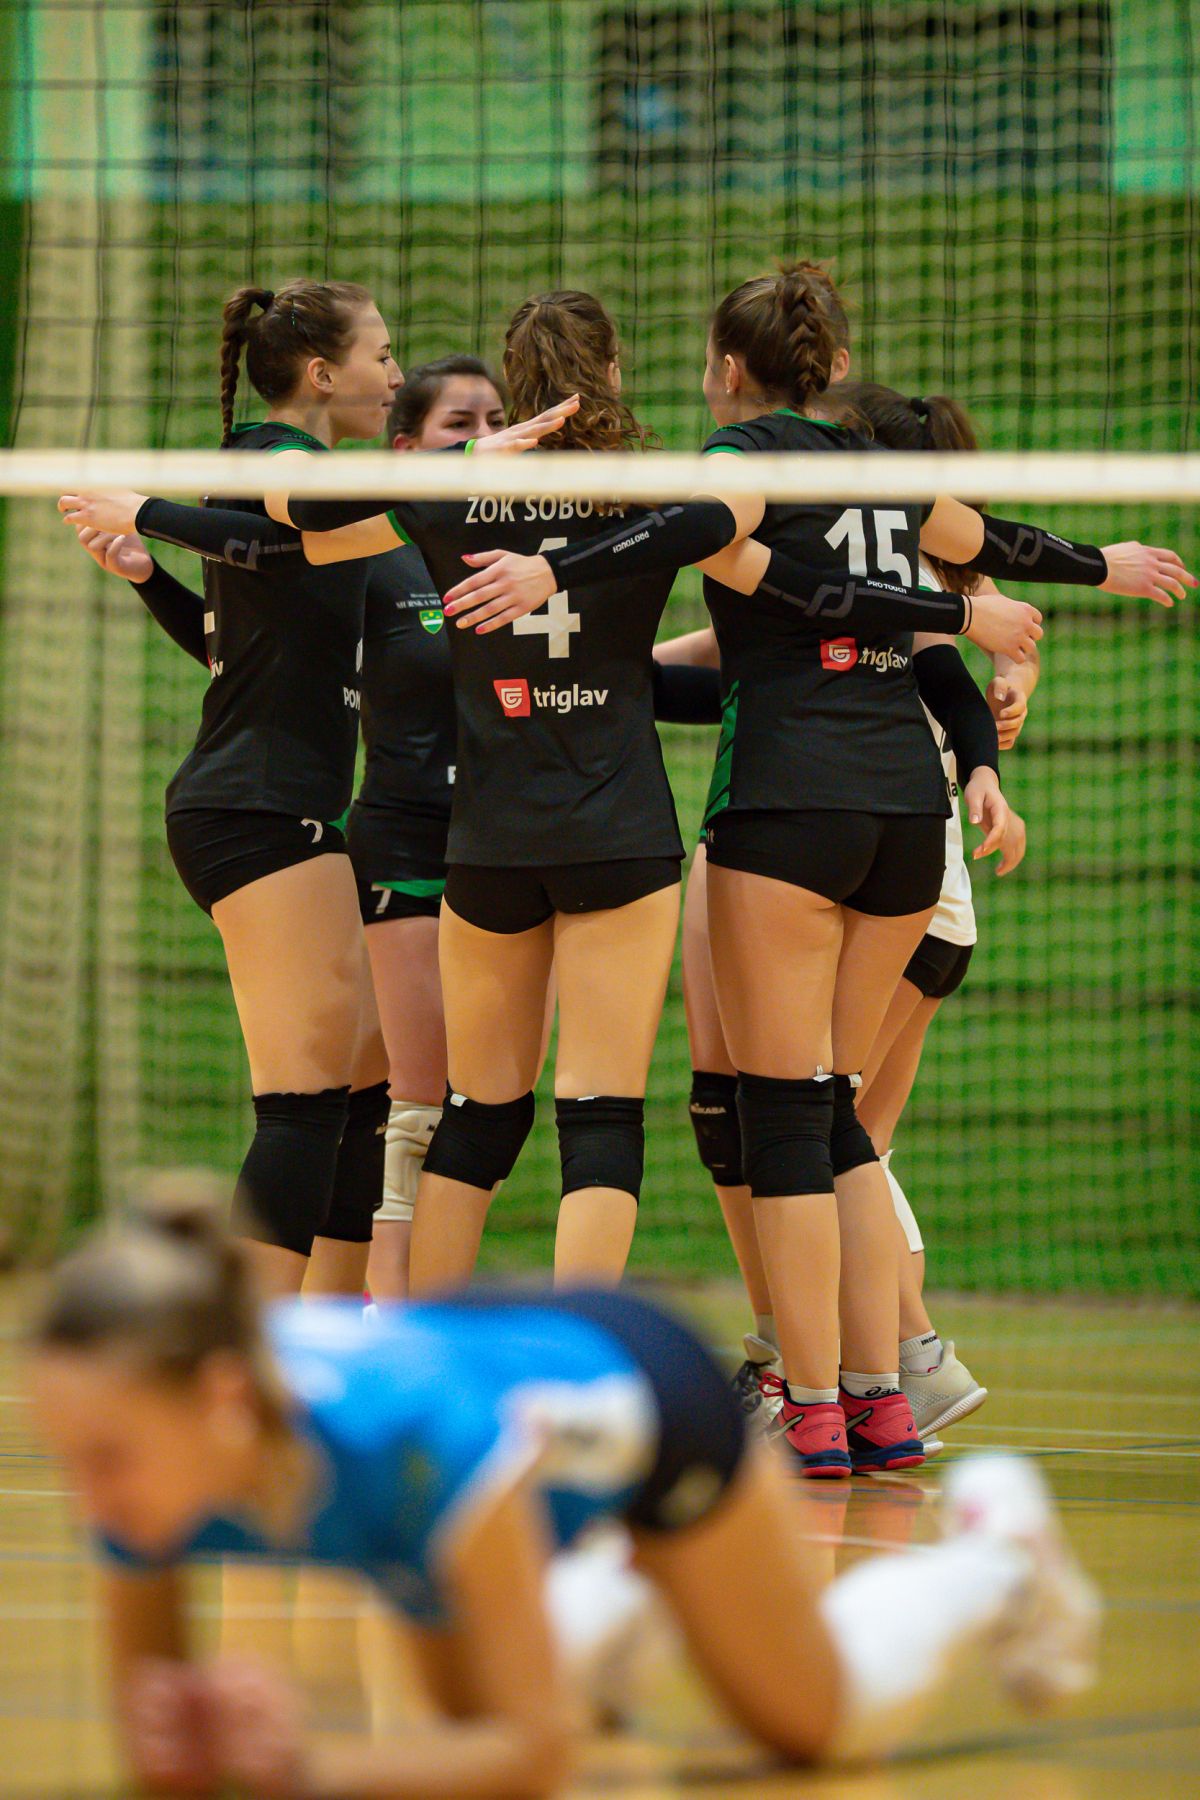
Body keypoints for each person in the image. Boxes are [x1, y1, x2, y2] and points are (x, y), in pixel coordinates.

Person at [438, 261, 1192, 1474]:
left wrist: (551, 571)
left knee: (779, 1111)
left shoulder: (738, 462)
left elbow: (698, 530)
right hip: (905, 813)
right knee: (834, 1112)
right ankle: (886, 1395)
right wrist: (1101, 563)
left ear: (728, 370)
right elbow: (977, 546)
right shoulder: (882, 468)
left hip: (790, 802)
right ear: (831, 365)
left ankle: (815, 1403)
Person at [30, 1174, 1100, 1799]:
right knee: (460, 1721)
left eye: (106, 1458)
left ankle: (998, 1557)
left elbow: (534, 1758)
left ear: (221, 1399)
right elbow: (155, 1758)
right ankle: (614, 1594)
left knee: (813, 1726)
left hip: (644, 1393)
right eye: (67, 1458)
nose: (89, 1501)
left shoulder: (411, 1438)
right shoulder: (146, 1478)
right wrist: (201, 1741)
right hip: (499, 1410)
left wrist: (300, 1767)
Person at [62, 280, 405, 1301]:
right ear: (323, 373)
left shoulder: (288, 484)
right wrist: (150, 514)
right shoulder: (278, 461)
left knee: (364, 1082)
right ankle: (255, 1351)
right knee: (303, 1104)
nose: (395, 375)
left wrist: (148, 573)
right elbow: (289, 533)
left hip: (271, 803)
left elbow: (239, 651)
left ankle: (331, 1337)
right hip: (255, 811)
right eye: (382, 355)